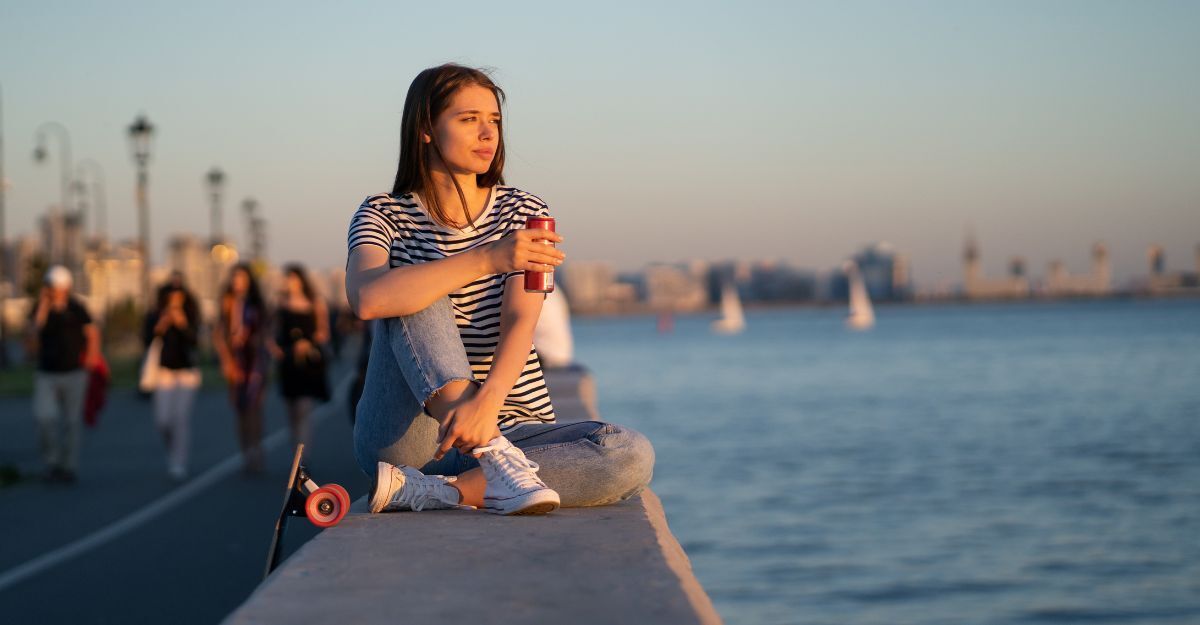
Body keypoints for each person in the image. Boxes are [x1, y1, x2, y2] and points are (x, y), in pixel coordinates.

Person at [346, 63, 654, 516]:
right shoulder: (382, 213)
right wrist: (489, 257)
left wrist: (487, 408)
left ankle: (447, 491)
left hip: (511, 425)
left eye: (494, 121)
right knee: (414, 291)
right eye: (469, 119)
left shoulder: (527, 213)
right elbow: (369, 298)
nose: (487, 134)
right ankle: (490, 461)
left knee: (629, 453)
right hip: (410, 438)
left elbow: (520, 321)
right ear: (426, 127)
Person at [27, 266, 101, 484]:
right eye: (50, 287)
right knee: (44, 417)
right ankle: (52, 462)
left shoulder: (77, 308)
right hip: (47, 372)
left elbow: (92, 333)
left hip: (74, 372)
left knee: (71, 420)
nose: (53, 291)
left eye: (57, 287)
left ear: (65, 288)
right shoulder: (40, 309)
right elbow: (32, 332)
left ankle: (68, 466)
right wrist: (43, 305)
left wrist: (91, 358)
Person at [214, 264, 269, 474]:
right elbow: (219, 334)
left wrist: (256, 341)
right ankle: (245, 452)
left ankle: (257, 449)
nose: (238, 282)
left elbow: (264, 331)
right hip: (236, 361)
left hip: (255, 361)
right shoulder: (227, 303)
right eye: (235, 277)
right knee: (240, 409)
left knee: (255, 406)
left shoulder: (256, 304)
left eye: (242, 277)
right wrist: (225, 360)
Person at [270, 263, 330, 449]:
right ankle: (295, 452)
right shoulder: (280, 304)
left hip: (308, 363)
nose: (288, 282)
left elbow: (324, 333)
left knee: (304, 410)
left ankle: (304, 457)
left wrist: (308, 343)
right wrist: (276, 350)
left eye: (292, 278)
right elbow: (270, 333)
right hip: (288, 363)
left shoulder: (315, 302)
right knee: (292, 413)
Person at [149, 277, 201, 480]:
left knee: (180, 418)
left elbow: (196, 341)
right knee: (163, 420)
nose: (175, 300)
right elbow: (147, 339)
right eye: (171, 296)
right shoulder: (156, 315)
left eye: (179, 296)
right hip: (164, 372)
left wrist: (182, 323)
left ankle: (178, 461)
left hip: (187, 373)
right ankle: (173, 449)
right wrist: (162, 324)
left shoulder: (190, 314)